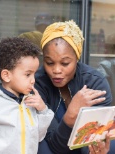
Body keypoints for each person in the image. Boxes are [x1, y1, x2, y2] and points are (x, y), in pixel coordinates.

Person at [30, 20, 113, 154]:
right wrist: (70, 116)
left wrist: (97, 149)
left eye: (65, 63)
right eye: (49, 63)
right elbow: (54, 146)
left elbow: (94, 140)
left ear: (77, 58)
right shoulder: (36, 84)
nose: (56, 70)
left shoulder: (95, 83)